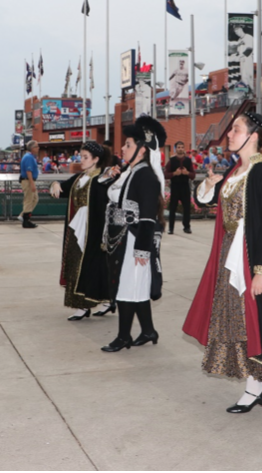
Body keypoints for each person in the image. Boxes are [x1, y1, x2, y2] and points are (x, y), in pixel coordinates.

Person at [184, 111, 262, 413]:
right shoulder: (236, 169)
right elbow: (208, 202)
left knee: (251, 322)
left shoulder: (261, 173)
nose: (230, 134)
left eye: (236, 129)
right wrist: (209, 186)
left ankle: (255, 385)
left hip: (251, 257)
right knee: (236, 318)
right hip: (231, 253)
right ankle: (260, 382)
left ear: (253, 137)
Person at [100, 116, 166, 353]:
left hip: (136, 239)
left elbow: (148, 217)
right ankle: (148, 330)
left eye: (128, 144)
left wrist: (142, 249)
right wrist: (110, 176)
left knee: (129, 288)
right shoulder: (130, 172)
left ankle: (123, 337)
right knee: (134, 287)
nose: (123, 149)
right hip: (125, 238)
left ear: (141, 149)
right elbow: (108, 195)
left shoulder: (145, 176)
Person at [50, 141, 114, 320]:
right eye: (81, 157)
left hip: (94, 230)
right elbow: (62, 188)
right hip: (77, 228)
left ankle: (94, 302)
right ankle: (87, 303)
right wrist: (55, 184)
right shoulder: (80, 178)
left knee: (92, 266)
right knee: (76, 263)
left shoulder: (103, 178)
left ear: (96, 159)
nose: (82, 160)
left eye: (85, 157)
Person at [165, 140, 196, 235]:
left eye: (182, 147)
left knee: (186, 207)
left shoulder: (188, 160)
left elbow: (193, 175)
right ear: (175, 149)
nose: (180, 149)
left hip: (185, 186)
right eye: (178, 147)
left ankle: (187, 227)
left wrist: (187, 173)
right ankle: (171, 228)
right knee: (173, 208)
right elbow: (166, 174)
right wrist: (174, 173)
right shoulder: (171, 161)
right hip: (175, 187)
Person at [19, 140, 40, 229]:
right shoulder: (29, 157)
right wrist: (32, 183)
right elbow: (28, 171)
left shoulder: (30, 157)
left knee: (34, 199)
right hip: (28, 180)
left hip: (29, 180)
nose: (38, 148)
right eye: (36, 146)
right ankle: (26, 220)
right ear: (32, 148)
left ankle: (23, 215)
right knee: (29, 199)